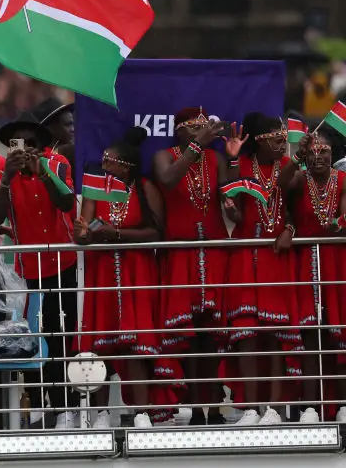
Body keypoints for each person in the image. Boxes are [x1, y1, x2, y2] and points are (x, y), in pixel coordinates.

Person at [0, 112, 78, 428]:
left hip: (63, 263)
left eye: (30, 142)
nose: (24, 148)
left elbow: (67, 204)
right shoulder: (4, 171)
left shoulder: (58, 165)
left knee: (64, 334)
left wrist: (43, 173)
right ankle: (39, 407)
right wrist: (6, 180)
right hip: (30, 268)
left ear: (41, 146)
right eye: (18, 143)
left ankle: (68, 407)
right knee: (37, 335)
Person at [153, 107, 241, 426]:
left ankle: (216, 407)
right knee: (187, 335)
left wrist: (232, 158)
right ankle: (193, 409)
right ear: (179, 131)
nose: (201, 132)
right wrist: (196, 146)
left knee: (213, 334)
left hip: (215, 254)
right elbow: (167, 179)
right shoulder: (164, 156)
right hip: (180, 256)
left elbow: (233, 198)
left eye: (205, 128)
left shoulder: (215, 159)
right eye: (194, 128)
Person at [75, 127, 167, 429]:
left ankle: (141, 412)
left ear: (126, 166)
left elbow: (155, 232)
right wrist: (83, 232)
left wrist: (115, 234)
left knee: (136, 342)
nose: (103, 166)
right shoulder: (94, 190)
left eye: (109, 162)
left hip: (137, 273)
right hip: (102, 274)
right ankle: (101, 415)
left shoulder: (145, 188)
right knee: (100, 343)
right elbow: (83, 233)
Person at [224, 113, 299, 426]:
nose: (281, 140)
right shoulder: (239, 167)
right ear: (258, 140)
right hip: (245, 256)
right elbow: (235, 215)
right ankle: (251, 408)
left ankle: (275, 410)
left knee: (275, 335)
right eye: (274, 136)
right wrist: (232, 210)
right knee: (248, 335)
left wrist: (290, 228)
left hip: (277, 256)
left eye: (283, 135)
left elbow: (295, 202)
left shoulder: (288, 167)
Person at [280, 129, 346, 422]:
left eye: (325, 151)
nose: (319, 157)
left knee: (339, 332)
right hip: (304, 262)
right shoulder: (299, 179)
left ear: (334, 155)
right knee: (309, 333)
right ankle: (309, 406)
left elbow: (342, 219)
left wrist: (336, 224)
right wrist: (297, 157)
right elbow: (280, 186)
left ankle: (343, 404)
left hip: (338, 262)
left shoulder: (343, 180)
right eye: (313, 152)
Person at [34, 97, 75, 169]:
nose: (73, 129)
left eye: (72, 124)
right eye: (67, 124)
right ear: (51, 128)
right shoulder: (38, 158)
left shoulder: (73, 152)